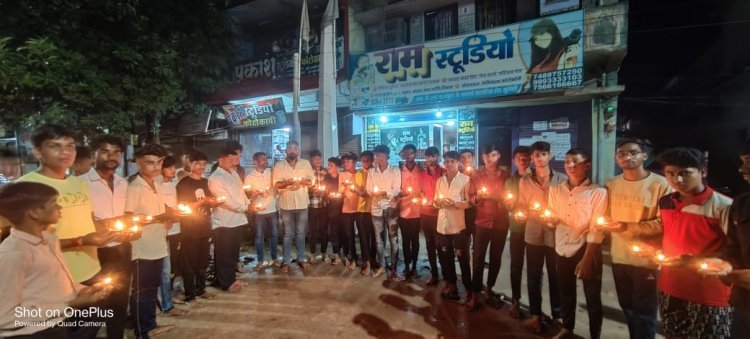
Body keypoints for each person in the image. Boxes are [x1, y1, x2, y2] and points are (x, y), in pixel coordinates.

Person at [0, 182, 113, 339]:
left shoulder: (49, 239)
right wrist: (69, 306)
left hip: (56, 326)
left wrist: (82, 290)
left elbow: (55, 280)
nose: (60, 208)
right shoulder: (14, 254)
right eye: (54, 203)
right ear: (34, 212)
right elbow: (5, 318)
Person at [17, 125, 117, 284]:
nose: (65, 152)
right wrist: (80, 241)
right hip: (52, 279)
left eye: (70, 146)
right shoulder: (23, 188)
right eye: (55, 146)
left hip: (91, 270)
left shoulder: (79, 184)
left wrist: (116, 232)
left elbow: (90, 221)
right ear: (37, 152)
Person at [656, 147, 733, 338]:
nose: (677, 180)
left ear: (703, 172)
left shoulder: (723, 206)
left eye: (685, 174)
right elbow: (669, 236)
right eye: (670, 174)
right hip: (669, 287)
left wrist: (693, 260)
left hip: (709, 294)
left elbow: (735, 250)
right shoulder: (666, 202)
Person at [601, 139, 671, 339]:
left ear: (644, 156)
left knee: (645, 311)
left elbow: (664, 223)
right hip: (619, 256)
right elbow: (604, 215)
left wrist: (626, 227)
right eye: (621, 154)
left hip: (646, 260)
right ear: (616, 158)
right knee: (628, 308)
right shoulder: (611, 184)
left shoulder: (660, 185)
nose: (627, 157)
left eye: (633, 152)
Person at [545, 148, 606, 339]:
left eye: (575, 162)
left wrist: (587, 258)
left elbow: (597, 228)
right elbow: (551, 215)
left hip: (587, 249)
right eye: (567, 161)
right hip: (562, 246)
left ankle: (594, 334)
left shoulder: (597, 192)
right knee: (566, 291)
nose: (570, 166)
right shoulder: (556, 189)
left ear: (586, 165)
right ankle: (567, 327)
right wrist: (550, 220)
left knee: (592, 297)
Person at [79, 134, 135, 338]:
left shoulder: (123, 183)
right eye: (105, 151)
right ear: (94, 154)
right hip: (93, 251)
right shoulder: (80, 184)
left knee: (119, 300)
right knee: (92, 303)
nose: (111, 156)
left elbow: (126, 214)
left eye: (116, 152)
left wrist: (131, 228)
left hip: (121, 249)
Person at [126, 143, 181, 337]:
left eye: (159, 162)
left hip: (158, 244)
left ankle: (150, 324)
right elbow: (128, 217)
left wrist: (171, 214)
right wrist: (157, 219)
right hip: (142, 247)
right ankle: (141, 331)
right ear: (139, 164)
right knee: (141, 290)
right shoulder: (134, 187)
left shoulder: (157, 184)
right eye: (150, 163)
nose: (156, 167)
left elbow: (161, 210)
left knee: (150, 288)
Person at [518, 141, 566, 334]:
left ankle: (558, 314)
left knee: (556, 275)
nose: (540, 158)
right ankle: (535, 314)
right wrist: (523, 212)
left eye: (544, 154)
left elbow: (567, 206)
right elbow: (521, 204)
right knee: (533, 275)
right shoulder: (525, 181)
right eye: (536, 155)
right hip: (533, 233)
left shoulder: (562, 179)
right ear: (532, 158)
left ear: (550, 156)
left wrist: (554, 217)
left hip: (555, 234)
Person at [468, 144, 510, 310]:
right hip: (482, 222)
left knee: (495, 258)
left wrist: (503, 201)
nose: (490, 159)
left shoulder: (505, 176)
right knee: (478, 259)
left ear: (498, 156)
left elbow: (509, 198)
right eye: (487, 156)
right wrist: (478, 197)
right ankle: (475, 293)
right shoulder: (477, 175)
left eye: (493, 155)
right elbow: (472, 198)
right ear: (483, 158)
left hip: (500, 223)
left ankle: (490, 289)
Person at [208, 141, 252, 292]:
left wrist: (248, 203)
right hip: (224, 222)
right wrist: (246, 207)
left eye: (239, 155)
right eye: (233, 156)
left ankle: (230, 278)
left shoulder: (233, 173)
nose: (236, 159)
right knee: (224, 254)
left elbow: (242, 193)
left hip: (237, 220)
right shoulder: (216, 177)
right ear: (222, 158)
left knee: (233, 253)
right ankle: (226, 283)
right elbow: (226, 201)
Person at [176, 151, 219, 303]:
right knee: (189, 263)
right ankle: (190, 294)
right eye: (198, 164)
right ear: (190, 165)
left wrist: (213, 202)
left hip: (204, 227)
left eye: (203, 164)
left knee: (203, 261)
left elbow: (208, 201)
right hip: (189, 229)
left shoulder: (204, 182)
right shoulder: (184, 184)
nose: (201, 167)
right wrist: (203, 201)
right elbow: (182, 206)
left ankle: (201, 289)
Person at [720, 139, 750, 338]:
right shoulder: (742, 204)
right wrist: (724, 265)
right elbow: (732, 247)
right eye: (742, 161)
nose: (742, 169)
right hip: (744, 305)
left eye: (749, 161)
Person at [434, 151, 472, 304]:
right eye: (446, 161)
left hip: (458, 226)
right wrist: (437, 203)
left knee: (462, 258)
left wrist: (455, 204)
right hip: (443, 225)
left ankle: (469, 289)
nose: (448, 164)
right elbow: (436, 199)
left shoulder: (465, 180)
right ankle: (451, 284)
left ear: (458, 163)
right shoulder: (440, 180)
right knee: (445, 257)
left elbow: (469, 203)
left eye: (452, 161)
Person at [272, 140, 315, 272]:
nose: (292, 150)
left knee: (301, 233)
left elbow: (312, 181)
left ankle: (301, 259)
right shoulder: (279, 165)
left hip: (302, 203)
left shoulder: (305, 163)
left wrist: (303, 181)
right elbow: (276, 184)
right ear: (286, 150)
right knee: (287, 234)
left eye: (295, 148)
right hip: (286, 205)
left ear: (298, 151)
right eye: (290, 148)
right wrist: (287, 183)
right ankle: (286, 261)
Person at [504, 145, 532, 318]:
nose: (523, 160)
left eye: (526, 157)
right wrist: (509, 206)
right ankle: (515, 299)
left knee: (534, 270)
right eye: (519, 157)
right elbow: (509, 201)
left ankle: (536, 307)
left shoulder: (538, 179)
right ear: (514, 160)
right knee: (516, 265)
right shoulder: (510, 181)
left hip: (535, 228)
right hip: (516, 227)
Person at [157, 156, 188, 317]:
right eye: (169, 168)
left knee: (172, 266)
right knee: (164, 268)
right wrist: (169, 216)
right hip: (163, 232)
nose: (172, 171)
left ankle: (168, 296)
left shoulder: (173, 185)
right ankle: (164, 302)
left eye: (173, 167)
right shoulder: (156, 186)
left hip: (176, 229)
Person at [366, 145, 402, 280]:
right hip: (376, 209)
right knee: (379, 240)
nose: (376, 158)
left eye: (379, 156)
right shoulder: (371, 171)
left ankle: (393, 268)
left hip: (390, 208)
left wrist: (384, 193)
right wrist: (375, 193)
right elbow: (369, 189)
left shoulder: (394, 171)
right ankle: (381, 265)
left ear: (386, 156)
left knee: (394, 240)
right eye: (375, 155)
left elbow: (397, 189)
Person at [245, 152, 279, 270]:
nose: (266, 161)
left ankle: (274, 259)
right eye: (263, 159)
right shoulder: (249, 177)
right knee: (259, 237)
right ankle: (260, 261)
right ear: (256, 162)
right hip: (259, 212)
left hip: (272, 209)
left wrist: (270, 191)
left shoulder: (271, 173)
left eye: (266, 159)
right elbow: (248, 197)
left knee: (274, 235)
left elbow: (276, 188)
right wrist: (254, 194)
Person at [419, 146, 445, 285]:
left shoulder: (444, 173)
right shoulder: (423, 174)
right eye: (428, 157)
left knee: (441, 246)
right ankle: (434, 274)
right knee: (429, 245)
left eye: (433, 156)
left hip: (440, 215)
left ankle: (447, 275)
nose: (430, 159)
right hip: (426, 214)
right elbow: (421, 191)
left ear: (438, 156)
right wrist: (422, 196)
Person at [398, 144, 422, 281]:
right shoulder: (400, 171)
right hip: (403, 212)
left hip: (417, 211)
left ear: (415, 154)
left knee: (416, 240)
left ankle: (414, 266)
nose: (408, 156)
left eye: (411, 153)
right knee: (405, 240)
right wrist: (400, 193)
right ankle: (407, 266)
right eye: (406, 154)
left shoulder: (421, 171)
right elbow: (396, 190)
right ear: (403, 155)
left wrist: (420, 195)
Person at [339, 153, 360, 271]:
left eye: (348, 161)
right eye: (345, 162)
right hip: (346, 208)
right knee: (348, 234)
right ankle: (349, 256)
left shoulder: (360, 174)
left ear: (354, 162)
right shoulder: (342, 175)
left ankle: (359, 258)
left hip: (359, 208)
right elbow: (340, 191)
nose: (346, 164)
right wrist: (343, 186)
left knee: (362, 235)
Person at [355, 151, 375, 274]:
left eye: (368, 160)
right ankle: (366, 261)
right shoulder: (359, 173)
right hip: (362, 209)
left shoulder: (376, 173)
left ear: (372, 160)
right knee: (363, 237)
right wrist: (366, 192)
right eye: (363, 160)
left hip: (375, 209)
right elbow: (360, 190)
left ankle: (373, 259)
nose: (366, 162)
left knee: (376, 237)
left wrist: (366, 192)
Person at [308, 150, 328, 264]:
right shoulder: (308, 173)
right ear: (311, 160)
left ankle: (324, 254)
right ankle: (312, 254)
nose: (318, 160)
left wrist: (324, 193)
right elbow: (305, 188)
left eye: (319, 158)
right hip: (312, 205)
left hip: (323, 206)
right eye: (315, 158)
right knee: (313, 231)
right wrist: (312, 190)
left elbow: (330, 186)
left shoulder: (326, 172)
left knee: (324, 231)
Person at [324, 157, 344, 264]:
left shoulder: (342, 177)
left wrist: (341, 195)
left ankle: (343, 252)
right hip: (331, 208)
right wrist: (327, 194)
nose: (328, 167)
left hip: (344, 208)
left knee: (343, 231)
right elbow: (324, 191)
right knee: (334, 232)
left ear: (337, 167)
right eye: (328, 165)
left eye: (331, 165)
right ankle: (336, 254)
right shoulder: (327, 178)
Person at [460, 149, 478, 244]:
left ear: (473, 158)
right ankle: (465, 258)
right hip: (462, 210)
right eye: (463, 157)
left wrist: (473, 178)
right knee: (464, 239)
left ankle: (475, 258)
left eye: (468, 157)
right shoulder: (458, 176)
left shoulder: (479, 174)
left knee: (477, 239)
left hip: (475, 210)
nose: (466, 159)